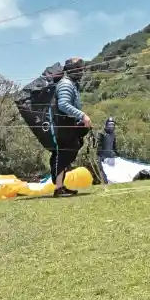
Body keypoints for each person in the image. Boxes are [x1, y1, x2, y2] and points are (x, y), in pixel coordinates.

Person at [48, 57, 92, 196]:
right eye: (79, 69)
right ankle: (58, 187)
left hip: (66, 126)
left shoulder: (71, 84)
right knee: (64, 154)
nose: (81, 72)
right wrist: (82, 116)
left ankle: (60, 186)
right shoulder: (66, 84)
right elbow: (63, 104)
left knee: (65, 154)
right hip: (62, 127)